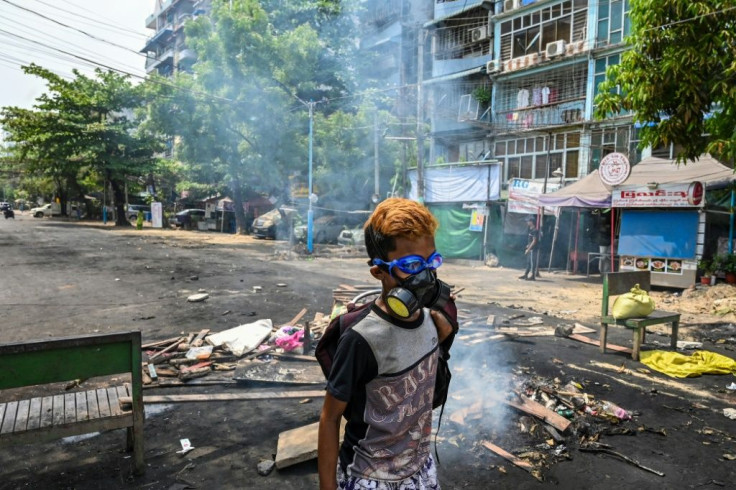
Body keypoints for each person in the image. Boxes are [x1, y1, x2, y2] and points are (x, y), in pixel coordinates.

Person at [318, 198, 456, 490]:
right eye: (412, 265)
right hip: (371, 477)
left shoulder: (434, 319)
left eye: (431, 261)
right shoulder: (362, 338)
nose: (427, 276)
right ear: (379, 271)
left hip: (420, 467)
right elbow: (330, 419)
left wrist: (443, 338)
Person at [519, 216, 539, 281]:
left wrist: (529, 249)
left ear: (531, 222)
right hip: (530, 248)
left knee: (532, 263)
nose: (527, 222)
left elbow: (534, 241)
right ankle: (526, 274)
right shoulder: (530, 230)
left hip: (533, 249)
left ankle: (533, 276)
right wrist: (528, 245)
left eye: (528, 221)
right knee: (528, 262)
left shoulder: (535, 230)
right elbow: (531, 240)